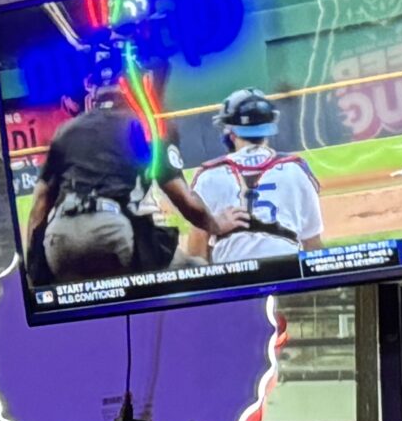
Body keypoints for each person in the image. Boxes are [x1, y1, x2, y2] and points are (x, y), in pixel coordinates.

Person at [23, 72, 245, 286]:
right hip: (110, 231)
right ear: (131, 91)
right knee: (193, 269)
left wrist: (33, 273)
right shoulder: (142, 126)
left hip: (60, 239)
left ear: (94, 96)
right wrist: (217, 225)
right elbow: (185, 201)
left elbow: (38, 210)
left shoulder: (66, 131)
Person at [184, 90, 325, 265]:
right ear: (268, 129)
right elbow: (313, 243)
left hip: (235, 274)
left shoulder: (208, 176)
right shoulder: (296, 169)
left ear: (231, 134)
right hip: (287, 268)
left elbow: (196, 250)